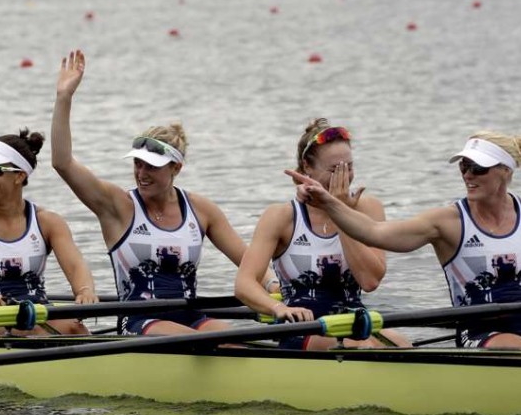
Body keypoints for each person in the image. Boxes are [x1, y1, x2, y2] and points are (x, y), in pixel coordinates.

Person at [52, 50, 252, 335]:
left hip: (191, 317)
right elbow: (62, 163)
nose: (142, 174)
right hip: (139, 323)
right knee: (205, 340)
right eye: (138, 164)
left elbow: (248, 261)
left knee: (232, 338)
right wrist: (64, 98)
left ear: (176, 169)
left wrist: (271, 285)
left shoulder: (201, 210)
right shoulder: (117, 206)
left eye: (152, 167)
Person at [290, 131, 521, 349]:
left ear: (506, 171)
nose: (468, 174)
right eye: (464, 166)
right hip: (481, 335)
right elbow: (373, 232)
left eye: (478, 168)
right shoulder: (447, 222)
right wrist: (329, 202)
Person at [234, 119, 410, 349]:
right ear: (307, 167)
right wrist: (279, 309)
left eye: (349, 167)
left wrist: (340, 212)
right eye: (335, 169)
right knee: (363, 348)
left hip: (354, 321)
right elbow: (244, 284)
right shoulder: (280, 217)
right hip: (304, 327)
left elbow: (369, 280)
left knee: (404, 345)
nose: (344, 177)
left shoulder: (369, 208)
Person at [0, 128, 100, 337]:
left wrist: (85, 291)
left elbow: (76, 265)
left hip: (39, 311)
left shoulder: (48, 222)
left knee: (76, 329)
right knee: (28, 332)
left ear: (19, 176)